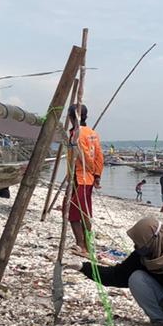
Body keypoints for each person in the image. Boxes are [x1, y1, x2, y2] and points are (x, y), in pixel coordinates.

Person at [66, 104, 104, 244]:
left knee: (74, 212)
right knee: (84, 212)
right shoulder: (92, 133)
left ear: (72, 117)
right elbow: (99, 155)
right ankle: (86, 245)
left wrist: (94, 173)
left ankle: (82, 245)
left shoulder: (78, 134)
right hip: (86, 178)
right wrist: (97, 175)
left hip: (80, 178)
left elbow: (85, 156)